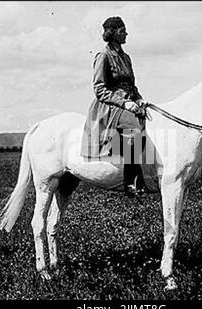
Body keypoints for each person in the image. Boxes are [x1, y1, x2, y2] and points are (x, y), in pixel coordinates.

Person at [80, 16, 150, 196]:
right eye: (122, 30)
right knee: (134, 128)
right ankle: (130, 183)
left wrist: (139, 99)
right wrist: (125, 102)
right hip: (111, 105)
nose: (126, 33)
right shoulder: (103, 56)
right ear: (112, 34)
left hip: (129, 102)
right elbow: (99, 89)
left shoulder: (126, 57)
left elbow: (131, 86)